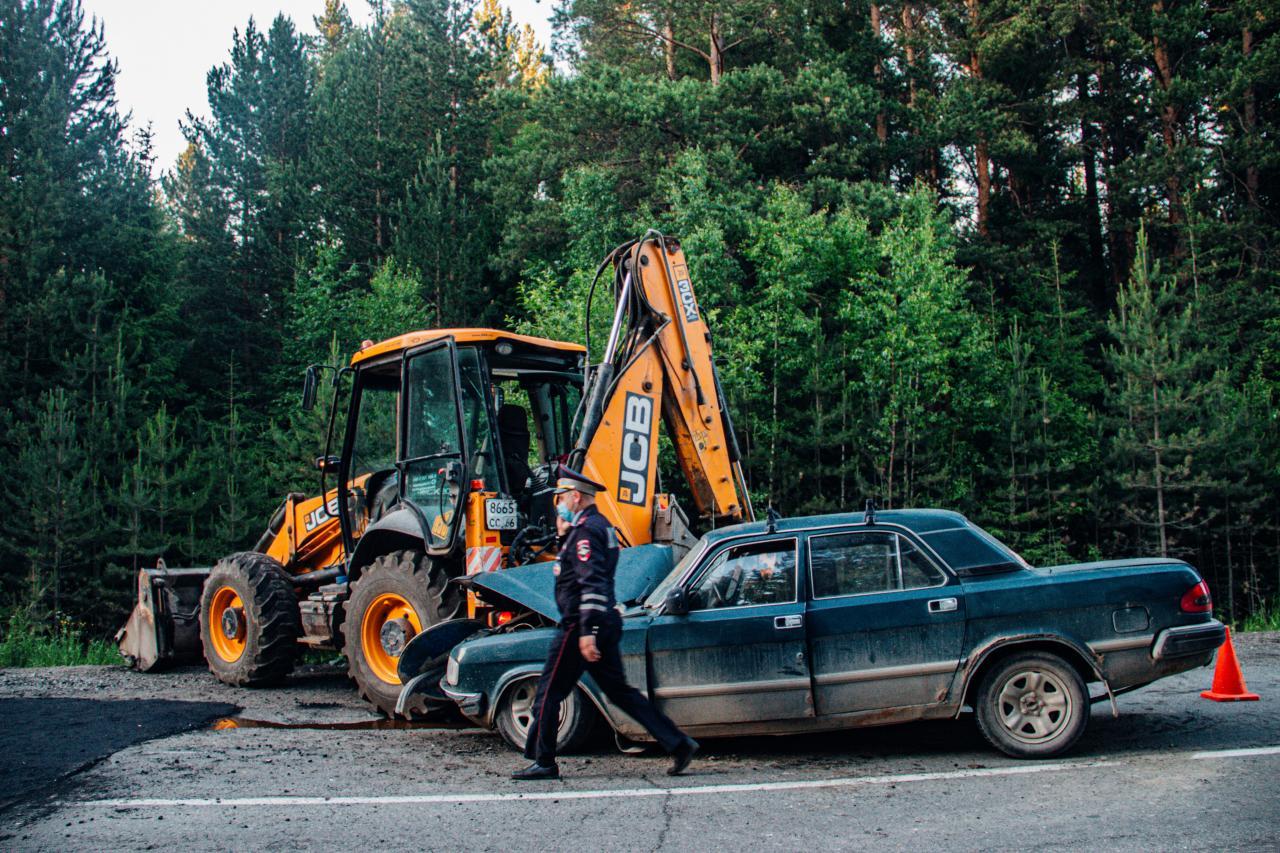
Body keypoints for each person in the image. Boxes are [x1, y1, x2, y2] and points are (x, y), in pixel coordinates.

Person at [512, 466, 698, 781]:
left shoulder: (585, 532)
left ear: (575, 496)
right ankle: (678, 743)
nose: (557, 502)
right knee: (619, 691)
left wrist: (587, 632)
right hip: (602, 621)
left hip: (579, 624)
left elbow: (592, 582)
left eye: (560, 496)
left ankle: (543, 760)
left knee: (548, 692)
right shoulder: (597, 526)